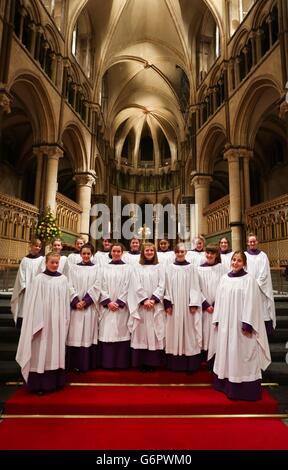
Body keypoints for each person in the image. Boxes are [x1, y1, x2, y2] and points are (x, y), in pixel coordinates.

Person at [210, 251, 271, 401]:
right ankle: (225, 384)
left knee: (243, 353)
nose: (235, 263)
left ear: (244, 263)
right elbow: (219, 299)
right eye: (234, 260)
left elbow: (252, 302)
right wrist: (217, 318)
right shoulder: (224, 279)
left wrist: (248, 323)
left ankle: (244, 388)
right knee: (227, 352)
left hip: (241, 326)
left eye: (239, 261)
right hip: (226, 324)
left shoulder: (249, 280)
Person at [15, 252, 71, 394]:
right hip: (42, 322)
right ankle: (39, 384)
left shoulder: (63, 279)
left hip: (57, 321)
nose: (54, 265)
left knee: (55, 348)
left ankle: (55, 381)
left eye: (57, 263)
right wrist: (38, 321)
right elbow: (33, 303)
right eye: (52, 262)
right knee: (41, 350)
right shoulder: (39, 279)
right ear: (46, 262)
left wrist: (64, 319)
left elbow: (65, 302)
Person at [164, 243, 202, 371]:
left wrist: (194, 303)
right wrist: (168, 303)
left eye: (182, 252)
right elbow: (166, 286)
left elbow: (195, 286)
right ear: (175, 253)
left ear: (186, 253)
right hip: (174, 307)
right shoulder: (169, 268)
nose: (180, 254)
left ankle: (190, 364)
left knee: (189, 333)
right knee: (173, 332)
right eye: (178, 252)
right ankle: (174, 364)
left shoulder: (191, 268)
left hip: (187, 306)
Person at [128, 242, 165, 371]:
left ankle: (153, 363)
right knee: (141, 332)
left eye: (151, 251)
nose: (149, 252)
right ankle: (141, 362)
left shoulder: (160, 267)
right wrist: (144, 300)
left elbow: (162, 285)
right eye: (147, 250)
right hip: (142, 306)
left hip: (155, 306)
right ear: (142, 252)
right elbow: (135, 285)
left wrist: (153, 300)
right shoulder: (137, 267)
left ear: (155, 253)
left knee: (155, 332)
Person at [66, 243, 101, 372]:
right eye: (84, 253)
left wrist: (85, 301)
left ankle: (86, 364)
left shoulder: (97, 268)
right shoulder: (73, 268)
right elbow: (69, 285)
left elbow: (97, 286)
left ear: (91, 255)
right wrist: (76, 301)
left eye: (88, 254)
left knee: (87, 334)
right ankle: (74, 364)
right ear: (80, 254)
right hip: (76, 308)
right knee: (75, 334)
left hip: (89, 308)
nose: (86, 256)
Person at [98, 242, 133, 369]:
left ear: (122, 253)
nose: (116, 253)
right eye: (114, 251)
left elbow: (128, 286)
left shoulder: (128, 268)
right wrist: (108, 302)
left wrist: (119, 302)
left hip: (121, 308)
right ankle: (106, 363)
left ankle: (121, 363)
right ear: (111, 252)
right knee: (107, 331)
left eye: (119, 251)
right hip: (108, 307)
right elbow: (101, 285)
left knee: (121, 331)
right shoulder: (103, 268)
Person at [198, 244, 227, 367]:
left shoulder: (222, 269)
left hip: (217, 308)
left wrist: (216, 304)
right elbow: (195, 288)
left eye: (212, 253)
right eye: (207, 253)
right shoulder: (199, 269)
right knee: (204, 331)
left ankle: (215, 359)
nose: (209, 255)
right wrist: (205, 304)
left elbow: (225, 288)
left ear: (216, 255)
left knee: (215, 331)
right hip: (204, 308)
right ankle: (204, 357)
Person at [245, 233, 276, 334]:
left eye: (254, 241)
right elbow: (244, 271)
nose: (252, 243)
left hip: (261, 289)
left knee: (263, 310)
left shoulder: (263, 256)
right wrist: (250, 284)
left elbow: (264, 273)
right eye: (250, 241)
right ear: (247, 243)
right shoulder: (244, 255)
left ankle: (265, 332)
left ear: (257, 242)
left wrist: (256, 284)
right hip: (249, 288)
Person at [11, 238, 43, 328]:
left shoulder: (42, 259)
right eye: (36, 245)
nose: (38, 248)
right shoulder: (25, 259)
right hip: (26, 290)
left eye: (40, 246)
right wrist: (24, 286)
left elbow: (42, 274)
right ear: (31, 246)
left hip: (37, 289)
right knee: (24, 310)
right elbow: (21, 274)